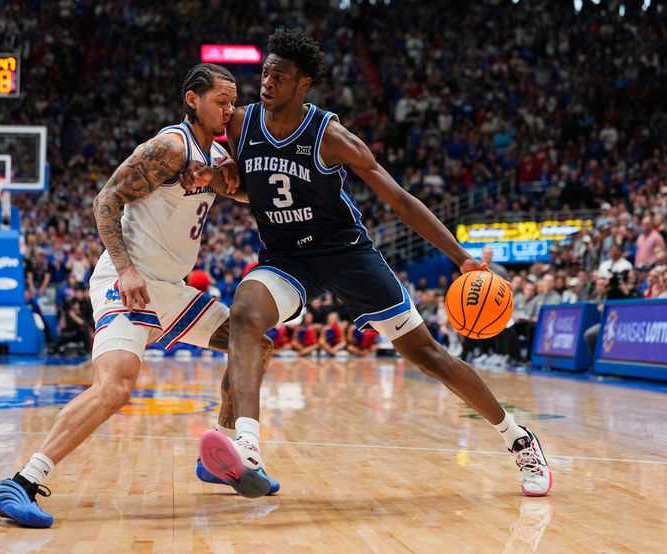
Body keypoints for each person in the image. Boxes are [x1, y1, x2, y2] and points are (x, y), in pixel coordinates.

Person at [191, 29, 552, 499]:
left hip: (346, 254)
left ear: (303, 85)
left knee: (428, 355)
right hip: (286, 259)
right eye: (264, 72)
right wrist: (217, 174)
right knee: (244, 311)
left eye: (279, 76)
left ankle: (519, 439)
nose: (266, 82)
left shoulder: (331, 136)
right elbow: (218, 158)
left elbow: (400, 200)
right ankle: (249, 450)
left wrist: (461, 258)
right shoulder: (238, 125)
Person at [0, 63, 278, 528]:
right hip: (130, 282)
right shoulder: (169, 147)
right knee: (116, 386)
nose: (229, 109)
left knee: (254, 345)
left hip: (169, 289)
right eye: (220, 100)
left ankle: (220, 456)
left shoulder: (212, 154)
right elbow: (106, 200)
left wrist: (269, 168)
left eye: (232, 101)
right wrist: (124, 269)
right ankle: (20, 481)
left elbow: (244, 191)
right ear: (192, 99)